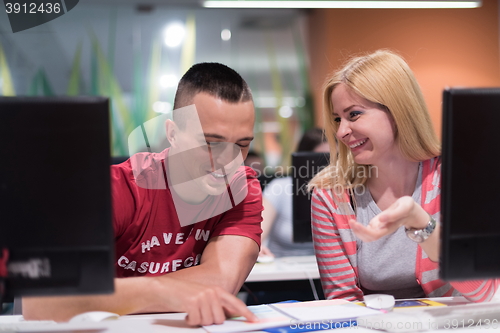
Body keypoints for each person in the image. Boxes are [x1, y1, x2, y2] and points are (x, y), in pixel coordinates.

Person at [22, 63, 263, 325]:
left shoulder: (242, 187)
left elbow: (221, 282)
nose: (228, 161)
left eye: (242, 144)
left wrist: (115, 294)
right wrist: (156, 290)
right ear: (172, 134)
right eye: (211, 143)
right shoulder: (118, 187)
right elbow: (40, 299)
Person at [309, 50, 499, 302]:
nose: (341, 131)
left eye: (354, 114)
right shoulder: (331, 195)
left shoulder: (456, 179)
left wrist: (421, 223)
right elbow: (343, 303)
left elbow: (484, 292)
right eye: (337, 119)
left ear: (398, 110)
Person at [259, 128, 329, 258]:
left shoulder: (346, 190)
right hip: (282, 269)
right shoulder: (279, 187)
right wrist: (256, 247)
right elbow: (258, 234)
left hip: (328, 268)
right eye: (320, 160)